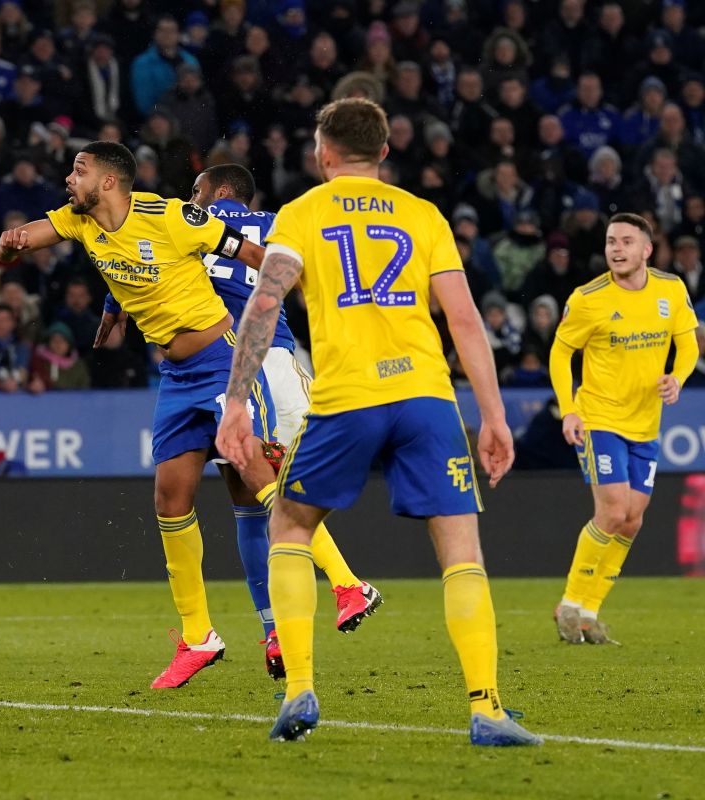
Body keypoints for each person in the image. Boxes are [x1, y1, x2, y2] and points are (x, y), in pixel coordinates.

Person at [216, 98, 541, 746]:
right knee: (461, 550)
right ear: (384, 151)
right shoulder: (423, 216)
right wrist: (494, 415)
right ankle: (487, 708)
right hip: (425, 397)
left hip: (346, 398)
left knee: (289, 525)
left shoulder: (303, 214)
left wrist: (234, 399)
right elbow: (466, 320)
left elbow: (265, 303)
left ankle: (301, 689)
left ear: (322, 153)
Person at [0, 141, 268, 689]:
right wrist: (11, 243)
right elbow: (22, 243)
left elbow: (255, 257)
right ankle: (198, 636)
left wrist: (284, 305)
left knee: (258, 480)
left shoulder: (170, 213)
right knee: (170, 497)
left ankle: (342, 583)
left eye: (80, 169)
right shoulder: (80, 222)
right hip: (175, 375)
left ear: (111, 181)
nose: (68, 177)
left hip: (224, 358)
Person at [187, 163, 382, 678]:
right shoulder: (281, 224)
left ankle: (333, 593)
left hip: (227, 368)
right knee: (267, 495)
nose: (193, 198)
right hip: (273, 359)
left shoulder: (188, 225)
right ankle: (295, 619)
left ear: (221, 191)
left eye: (198, 190)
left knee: (263, 501)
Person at [550, 213, 700, 645]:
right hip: (600, 419)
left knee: (632, 522)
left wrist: (678, 376)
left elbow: (687, 341)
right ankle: (570, 603)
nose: (616, 249)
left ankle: (589, 613)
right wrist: (570, 410)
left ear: (647, 250)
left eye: (626, 242)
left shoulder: (671, 289)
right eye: (611, 241)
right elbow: (561, 354)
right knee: (613, 512)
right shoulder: (588, 298)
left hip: (646, 423)